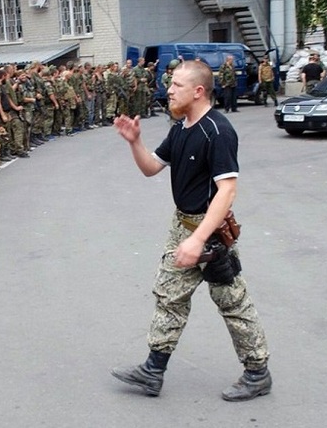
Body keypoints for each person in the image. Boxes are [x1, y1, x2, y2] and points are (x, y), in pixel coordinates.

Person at [110, 60, 271, 402]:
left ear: (198, 91)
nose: (169, 89)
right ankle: (153, 371)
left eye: (177, 85)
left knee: (231, 301)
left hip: (209, 232)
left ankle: (258, 373)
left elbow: (227, 191)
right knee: (169, 297)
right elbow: (152, 168)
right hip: (181, 224)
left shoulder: (218, 131)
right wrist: (134, 142)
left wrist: (198, 239)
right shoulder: (181, 127)